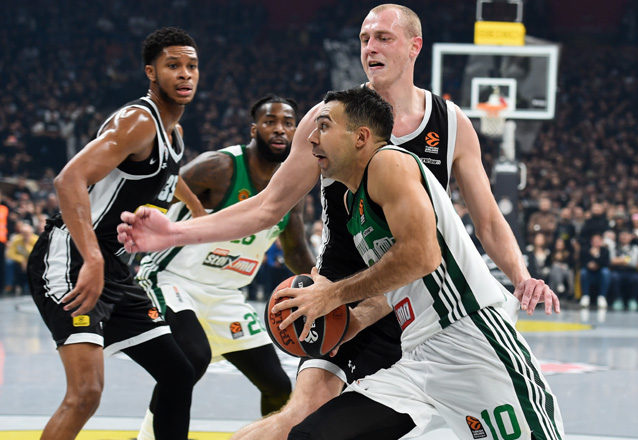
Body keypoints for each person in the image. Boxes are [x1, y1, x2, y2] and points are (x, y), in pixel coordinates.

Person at [117, 5, 559, 439]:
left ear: (414, 46)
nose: (370, 47)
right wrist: (175, 232)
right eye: (364, 39)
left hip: (420, 300)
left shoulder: (449, 122)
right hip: (342, 295)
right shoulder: (329, 120)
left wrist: (521, 276)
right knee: (303, 417)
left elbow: (487, 219)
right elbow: (269, 206)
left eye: (383, 37)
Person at [274, 86, 563, 440]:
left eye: (324, 126)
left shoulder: (388, 163)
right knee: (312, 435)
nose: (311, 138)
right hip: (418, 356)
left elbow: (422, 256)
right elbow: (398, 279)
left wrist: (333, 294)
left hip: (470, 339)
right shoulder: (353, 203)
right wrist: (356, 320)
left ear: (360, 137)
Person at [27, 27, 204, 440]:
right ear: (151, 72)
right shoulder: (138, 121)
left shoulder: (174, 135)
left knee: (178, 372)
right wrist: (92, 259)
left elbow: (167, 174)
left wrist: (197, 210)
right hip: (73, 255)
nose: (185, 74)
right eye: (173, 65)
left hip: (116, 268)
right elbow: (68, 179)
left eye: (192, 66)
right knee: (86, 393)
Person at [133, 95, 315, 439]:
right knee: (192, 359)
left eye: (288, 123)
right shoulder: (219, 166)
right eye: (270, 122)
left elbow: (295, 251)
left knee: (278, 386)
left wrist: (326, 285)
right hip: (172, 280)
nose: (280, 129)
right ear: (254, 129)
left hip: (226, 295)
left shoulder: (292, 186)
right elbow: (158, 192)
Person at [5, 221, 38, 295]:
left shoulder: (35, 239)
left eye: (27, 233)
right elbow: (10, 254)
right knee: (9, 263)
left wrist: (27, 245)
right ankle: (9, 286)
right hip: (19, 262)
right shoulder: (16, 240)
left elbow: (36, 254)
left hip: (32, 261)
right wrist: (21, 259)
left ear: (31, 233)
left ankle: (31, 286)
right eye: (23, 233)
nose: (25, 235)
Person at [579, 233, 611, 308]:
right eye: (594, 241)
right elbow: (582, 262)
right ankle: (585, 296)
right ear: (591, 242)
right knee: (583, 272)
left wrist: (596, 256)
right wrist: (589, 265)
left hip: (600, 272)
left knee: (606, 272)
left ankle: (602, 297)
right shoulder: (585, 250)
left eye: (598, 241)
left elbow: (606, 263)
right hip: (589, 272)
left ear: (601, 241)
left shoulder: (605, 251)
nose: (596, 243)